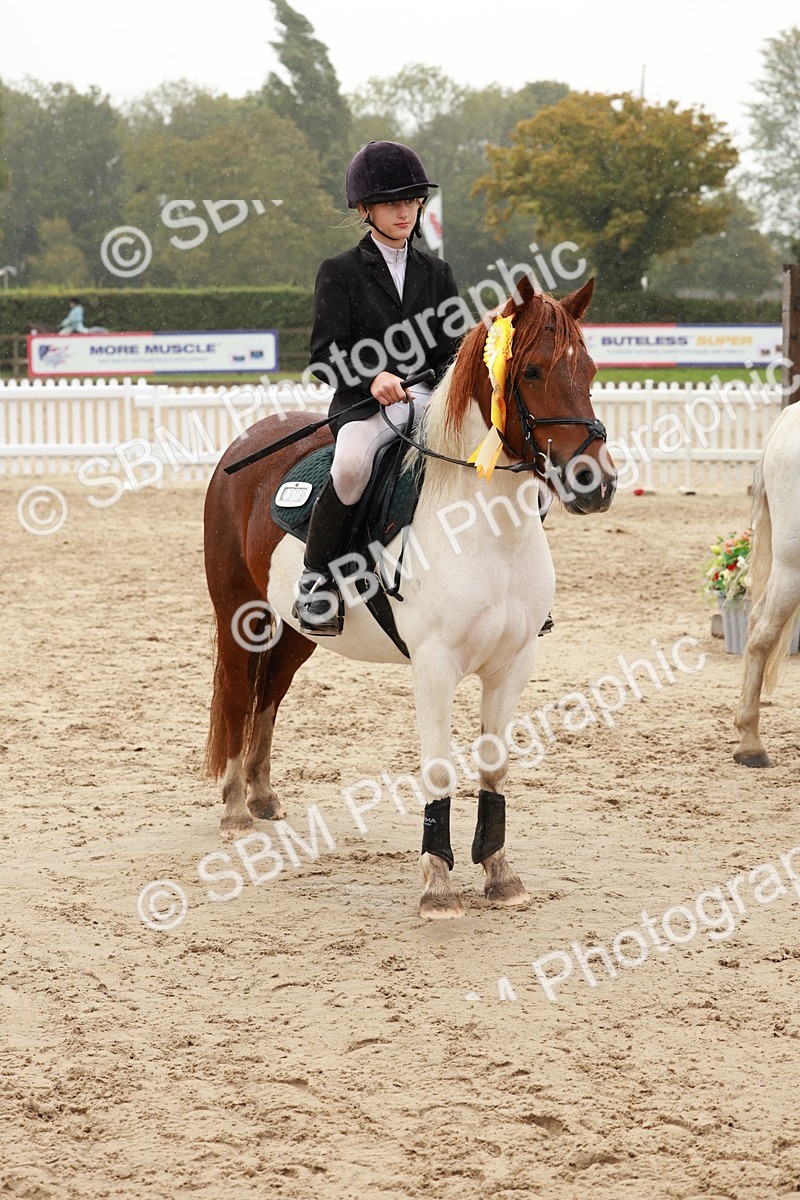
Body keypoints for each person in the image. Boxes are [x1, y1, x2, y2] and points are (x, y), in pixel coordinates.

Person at [293, 141, 461, 636]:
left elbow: (449, 351)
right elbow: (324, 356)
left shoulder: (438, 273)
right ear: (366, 209)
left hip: (430, 401)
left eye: (411, 202)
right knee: (348, 467)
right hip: (365, 405)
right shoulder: (340, 272)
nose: (405, 211)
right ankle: (317, 580)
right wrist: (372, 376)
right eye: (393, 202)